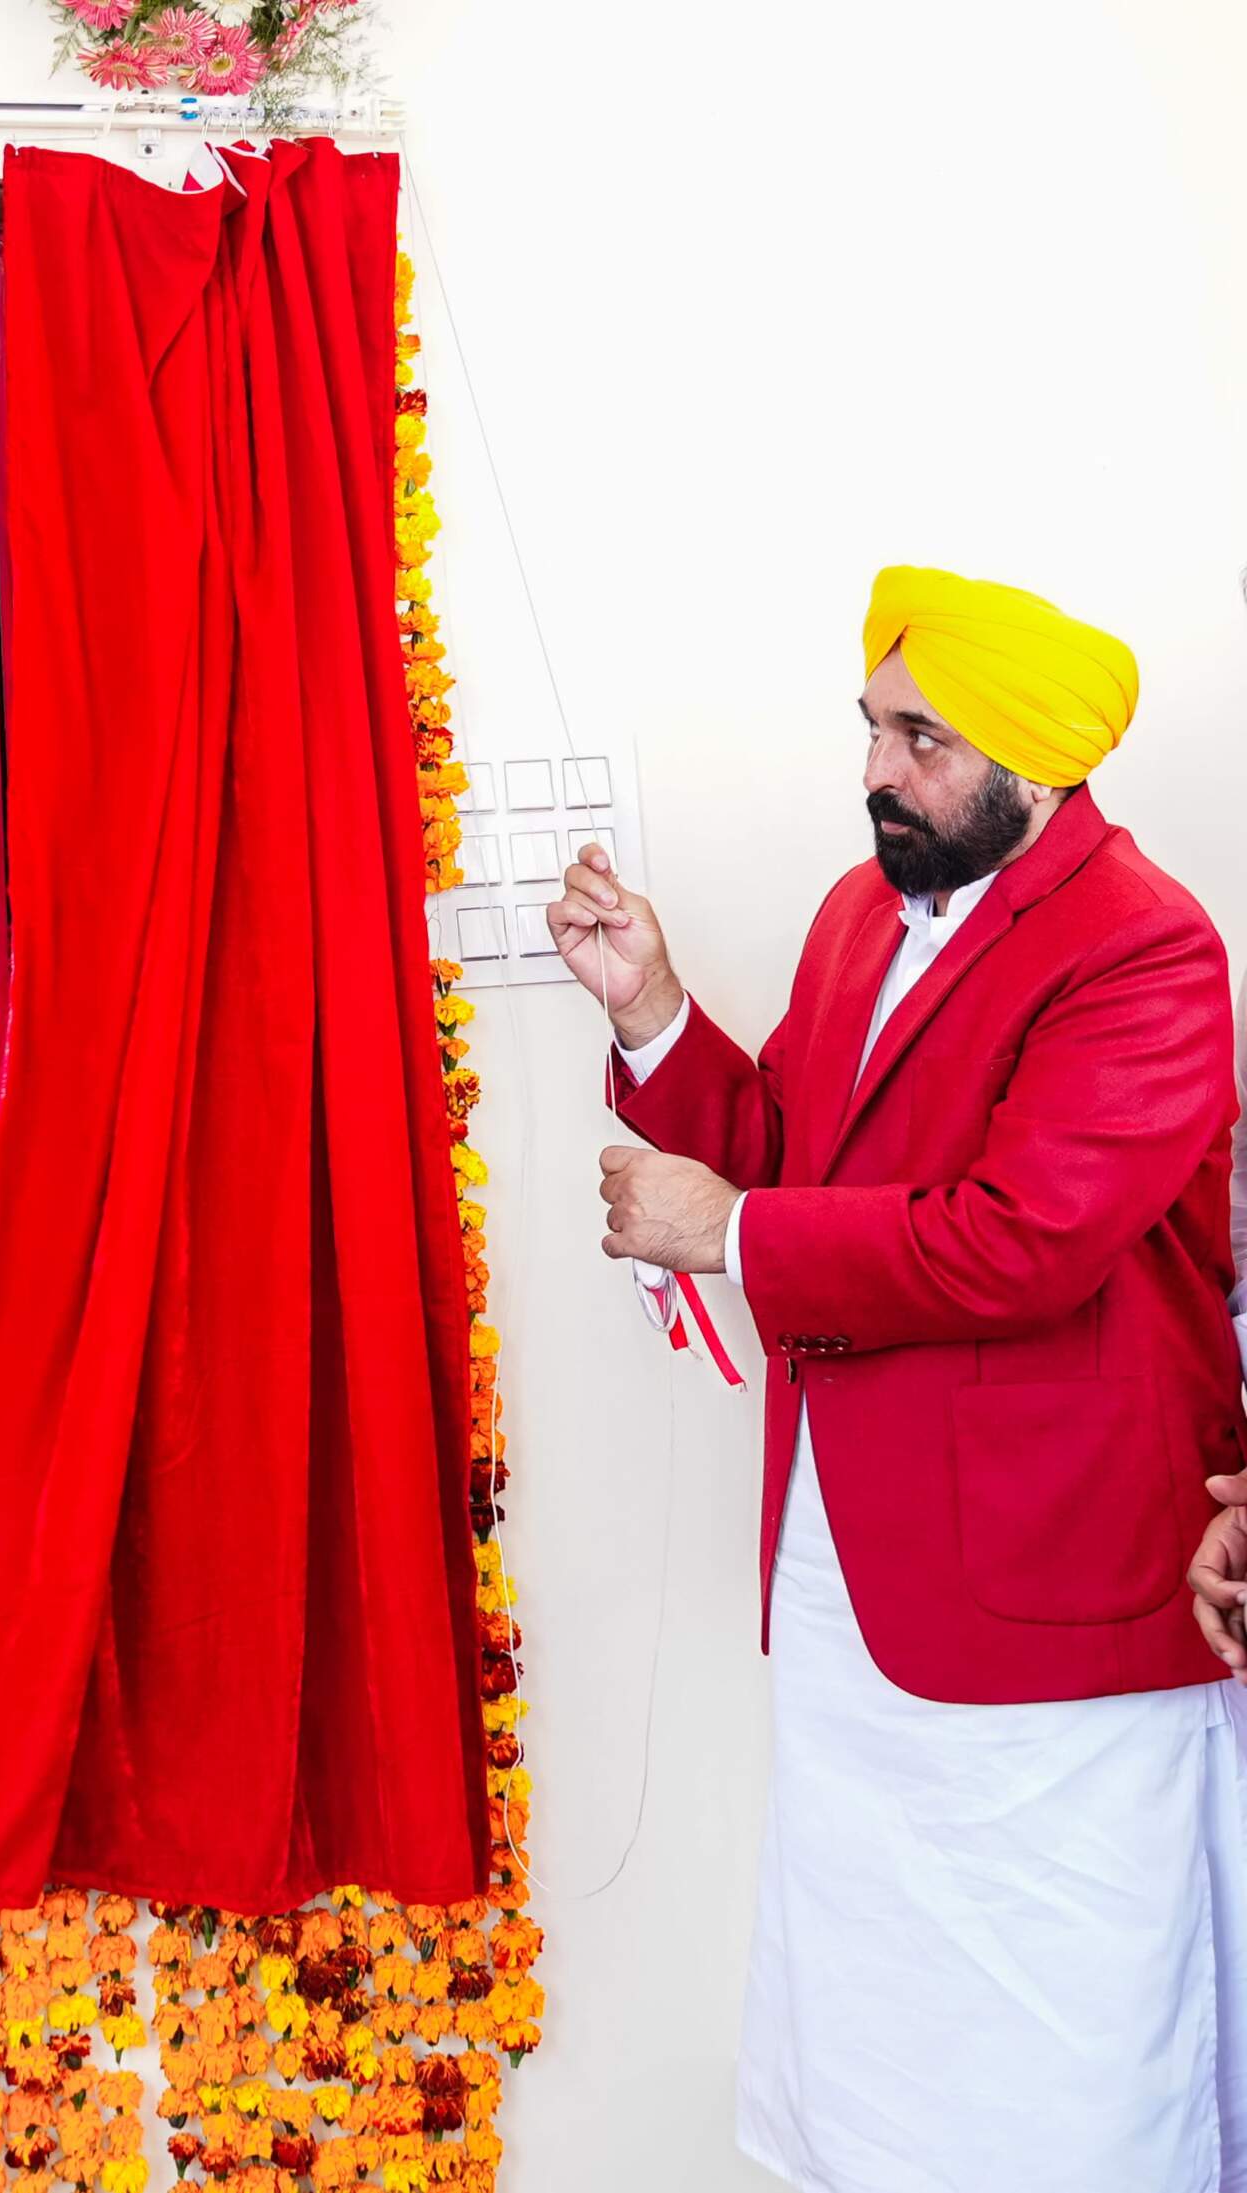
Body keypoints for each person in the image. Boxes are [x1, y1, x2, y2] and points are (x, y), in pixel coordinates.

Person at [548, 566, 1247, 2191]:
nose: (877, 771)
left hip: (1055, 1592)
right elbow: (803, 1150)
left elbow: (1020, 1241)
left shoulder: (1146, 951)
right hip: (853, 1584)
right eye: (871, 727)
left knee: (1064, 2048)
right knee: (878, 2039)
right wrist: (653, 1011)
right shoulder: (861, 912)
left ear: (1036, 765)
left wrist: (728, 1234)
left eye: (921, 740)